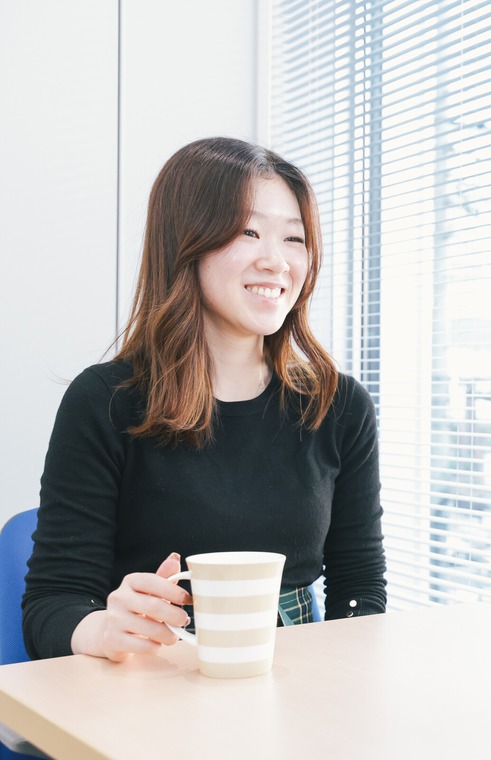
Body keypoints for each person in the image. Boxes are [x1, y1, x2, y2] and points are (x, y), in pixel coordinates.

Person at [23, 137, 387, 662]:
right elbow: (50, 604)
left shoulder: (340, 405)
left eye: (295, 239)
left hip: (292, 684)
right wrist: (101, 629)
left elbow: (361, 590)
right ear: (186, 242)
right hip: (144, 683)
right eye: (249, 231)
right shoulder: (104, 401)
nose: (277, 261)